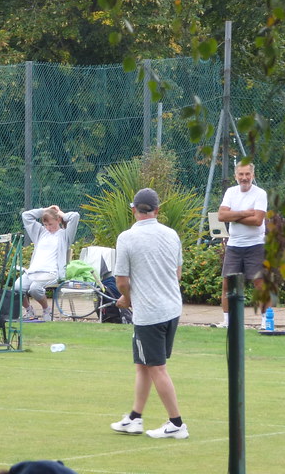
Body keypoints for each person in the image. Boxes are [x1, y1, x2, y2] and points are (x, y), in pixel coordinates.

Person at [109, 188, 188, 440]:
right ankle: (135, 418)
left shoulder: (126, 237)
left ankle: (176, 423)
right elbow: (177, 274)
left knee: (157, 368)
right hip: (172, 309)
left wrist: (127, 298)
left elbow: (122, 281)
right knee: (143, 365)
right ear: (157, 210)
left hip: (150, 314)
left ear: (134, 209)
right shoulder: (171, 234)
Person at [212, 161, 268, 329]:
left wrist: (233, 216)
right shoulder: (230, 192)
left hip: (256, 244)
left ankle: (266, 322)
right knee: (228, 284)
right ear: (235, 176)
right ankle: (227, 322)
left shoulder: (260, 194)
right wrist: (244, 213)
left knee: (259, 284)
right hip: (234, 245)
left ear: (253, 175)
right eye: (241, 174)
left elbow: (257, 220)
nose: (244, 178)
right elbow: (221, 216)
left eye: (247, 174)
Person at [15, 204, 80, 321]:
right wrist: (46, 210)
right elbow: (26, 215)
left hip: (51, 273)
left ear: (58, 220)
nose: (48, 227)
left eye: (50, 224)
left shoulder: (65, 235)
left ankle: (46, 310)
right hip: (32, 272)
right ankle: (29, 310)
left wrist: (59, 213)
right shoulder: (40, 232)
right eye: (45, 225)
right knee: (16, 288)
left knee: (35, 289)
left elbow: (75, 216)